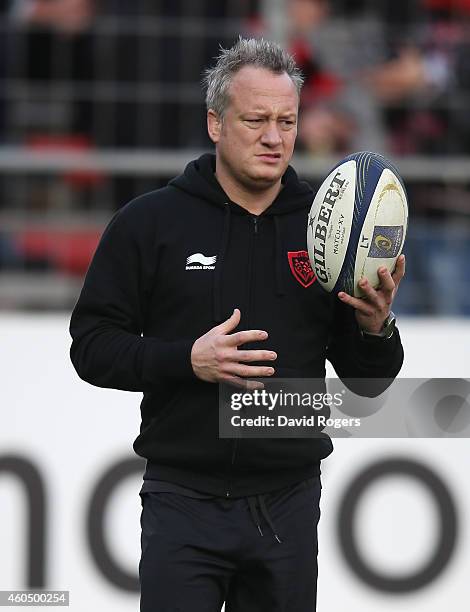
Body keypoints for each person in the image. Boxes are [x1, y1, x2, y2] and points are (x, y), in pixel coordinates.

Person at [69, 37, 405, 612]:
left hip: (288, 504)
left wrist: (376, 329)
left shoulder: (328, 233)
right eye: (255, 120)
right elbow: (92, 347)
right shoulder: (150, 223)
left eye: (287, 120)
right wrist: (186, 360)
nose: (274, 138)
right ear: (215, 123)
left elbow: (367, 382)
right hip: (182, 499)